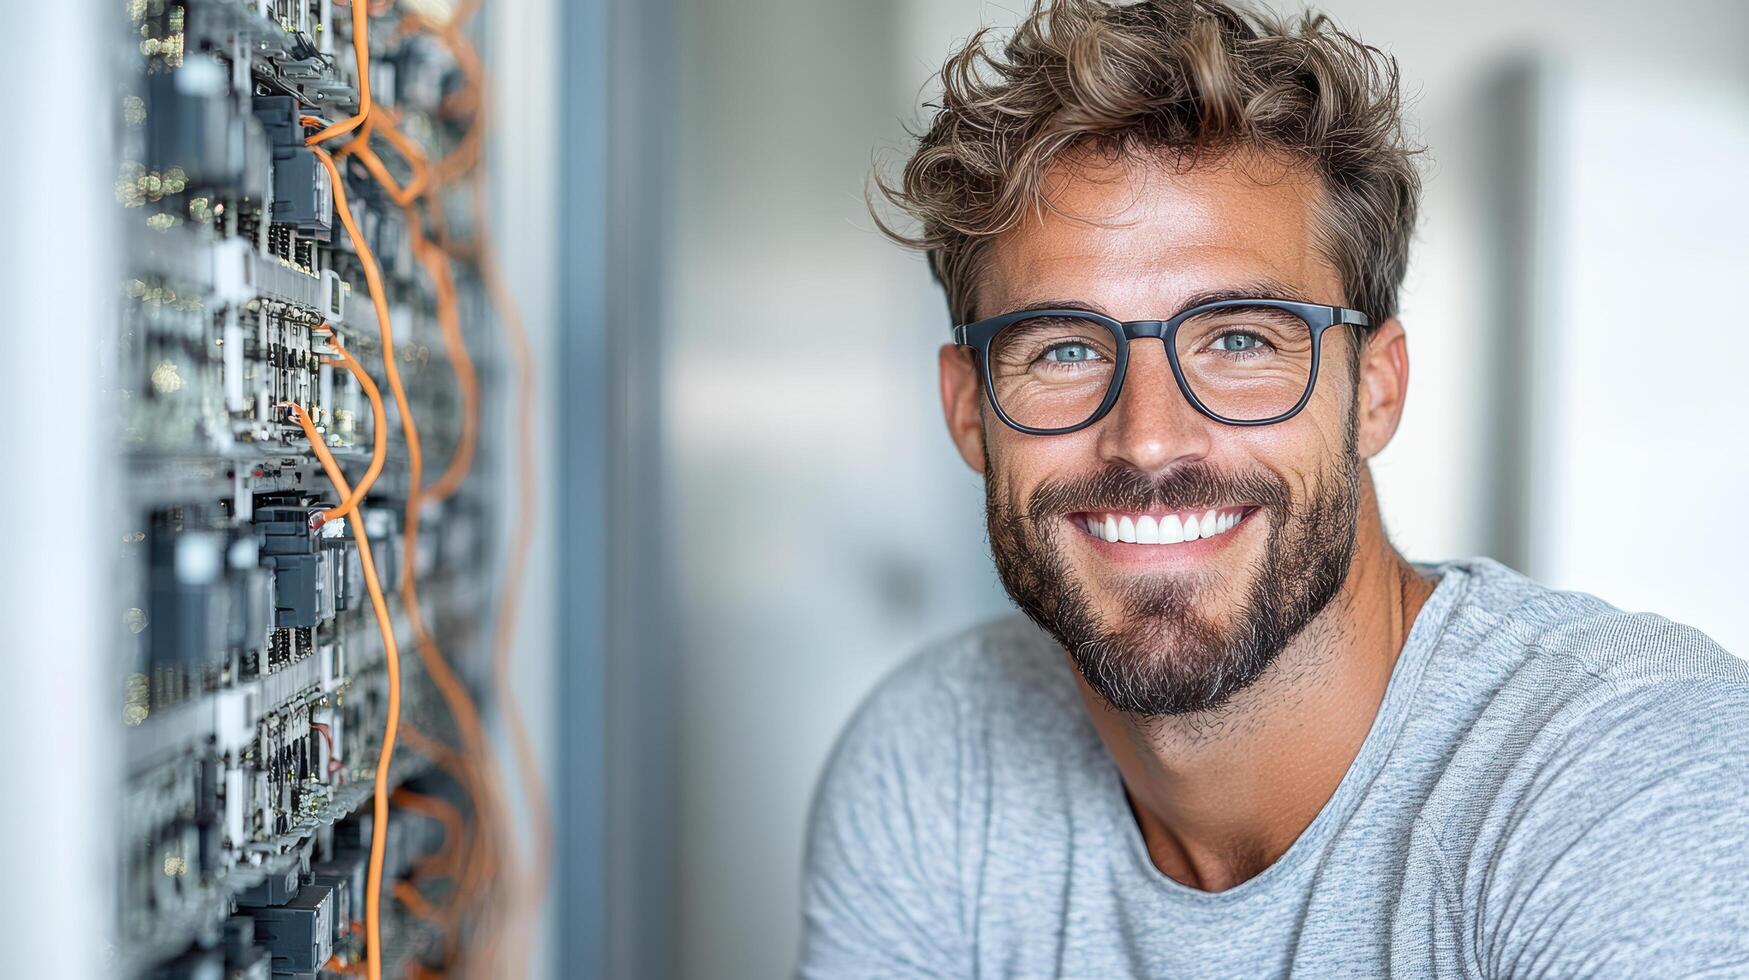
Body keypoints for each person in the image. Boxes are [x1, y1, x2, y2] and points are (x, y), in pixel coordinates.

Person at [796, 1, 1749, 976]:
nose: (1150, 438)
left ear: (1376, 389)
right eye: (1067, 348)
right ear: (968, 410)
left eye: (1240, 338)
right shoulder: (931, 759)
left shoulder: (1634, 777)